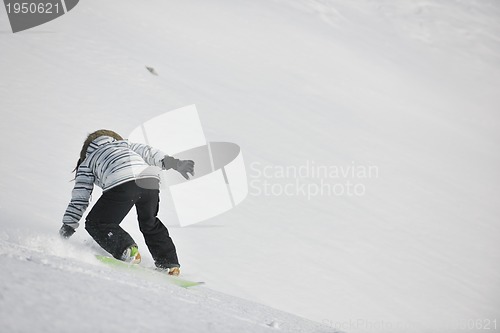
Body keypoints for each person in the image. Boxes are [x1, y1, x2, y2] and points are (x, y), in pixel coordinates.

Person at [59, 129, 195, 276]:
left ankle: (127, 250)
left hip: (124, 184)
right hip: (150, 182)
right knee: (150, 222)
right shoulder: (126, 146)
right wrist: (175, 163)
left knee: (96, 223)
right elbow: (150, 152)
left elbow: (80, 197)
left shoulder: (88, 161)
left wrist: (69, 225)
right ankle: (169, 263)